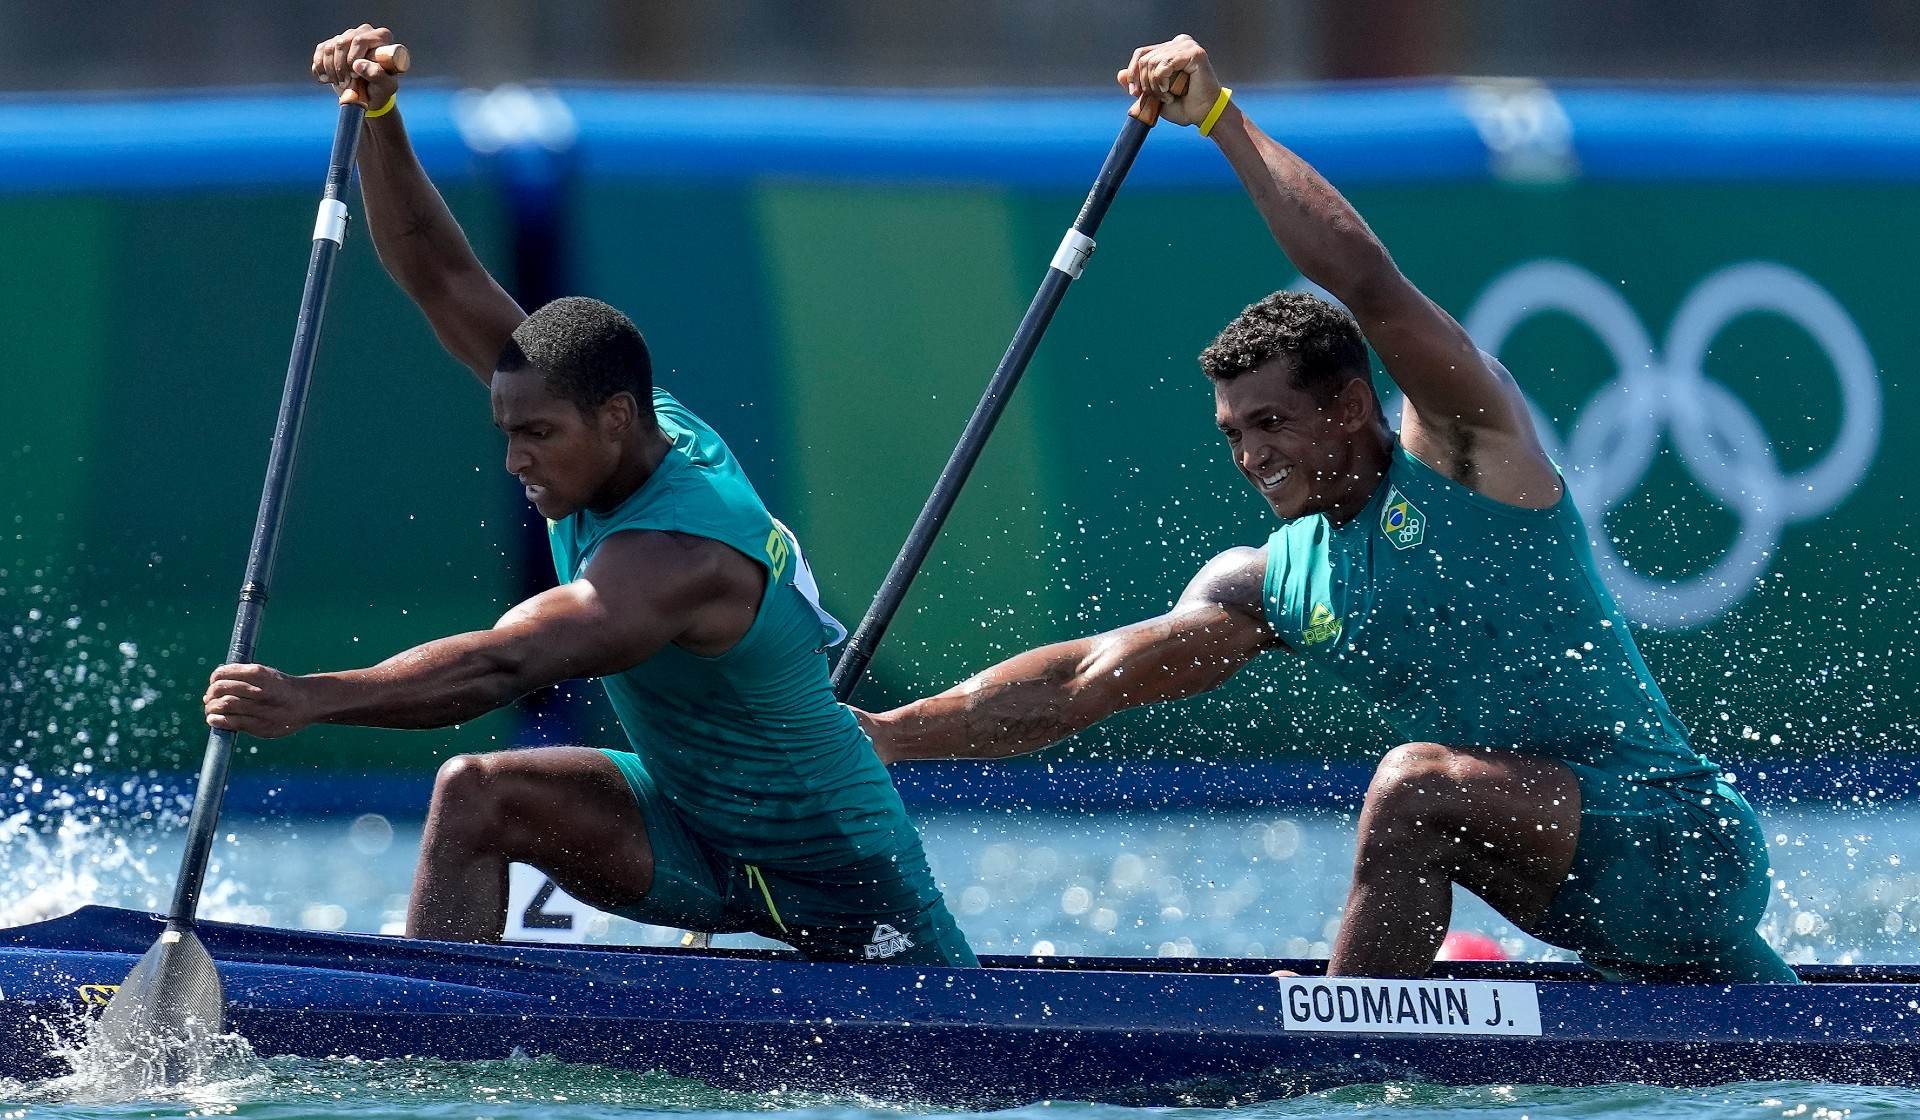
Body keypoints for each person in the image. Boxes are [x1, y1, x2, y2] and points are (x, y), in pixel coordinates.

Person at [860, 35, 1793, 983]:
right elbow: (1081, 684)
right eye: (1231, 435)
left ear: (1350, 405)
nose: (1251, 456)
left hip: (1684, 845)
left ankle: (1335, 1062)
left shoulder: (1470, 454)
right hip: (1583, 898)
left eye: (1271, 422)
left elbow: (1369, 287)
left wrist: (1221, 121)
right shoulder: (1273, 583)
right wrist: (890, 736)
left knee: (1410, 785)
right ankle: (1376, 1040)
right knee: (1422, 804)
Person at [201, 24, 974, 967]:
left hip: (842, 880)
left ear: (613, 417)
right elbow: (443, 278)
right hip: (693, 827)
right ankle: (438, 1037)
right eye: (506, 433)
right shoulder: (621, 408)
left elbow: (501, 668)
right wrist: (379, 117)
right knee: (477, 792)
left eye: (537, 437)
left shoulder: (680, 558)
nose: (517, 460)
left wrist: (307, 698)